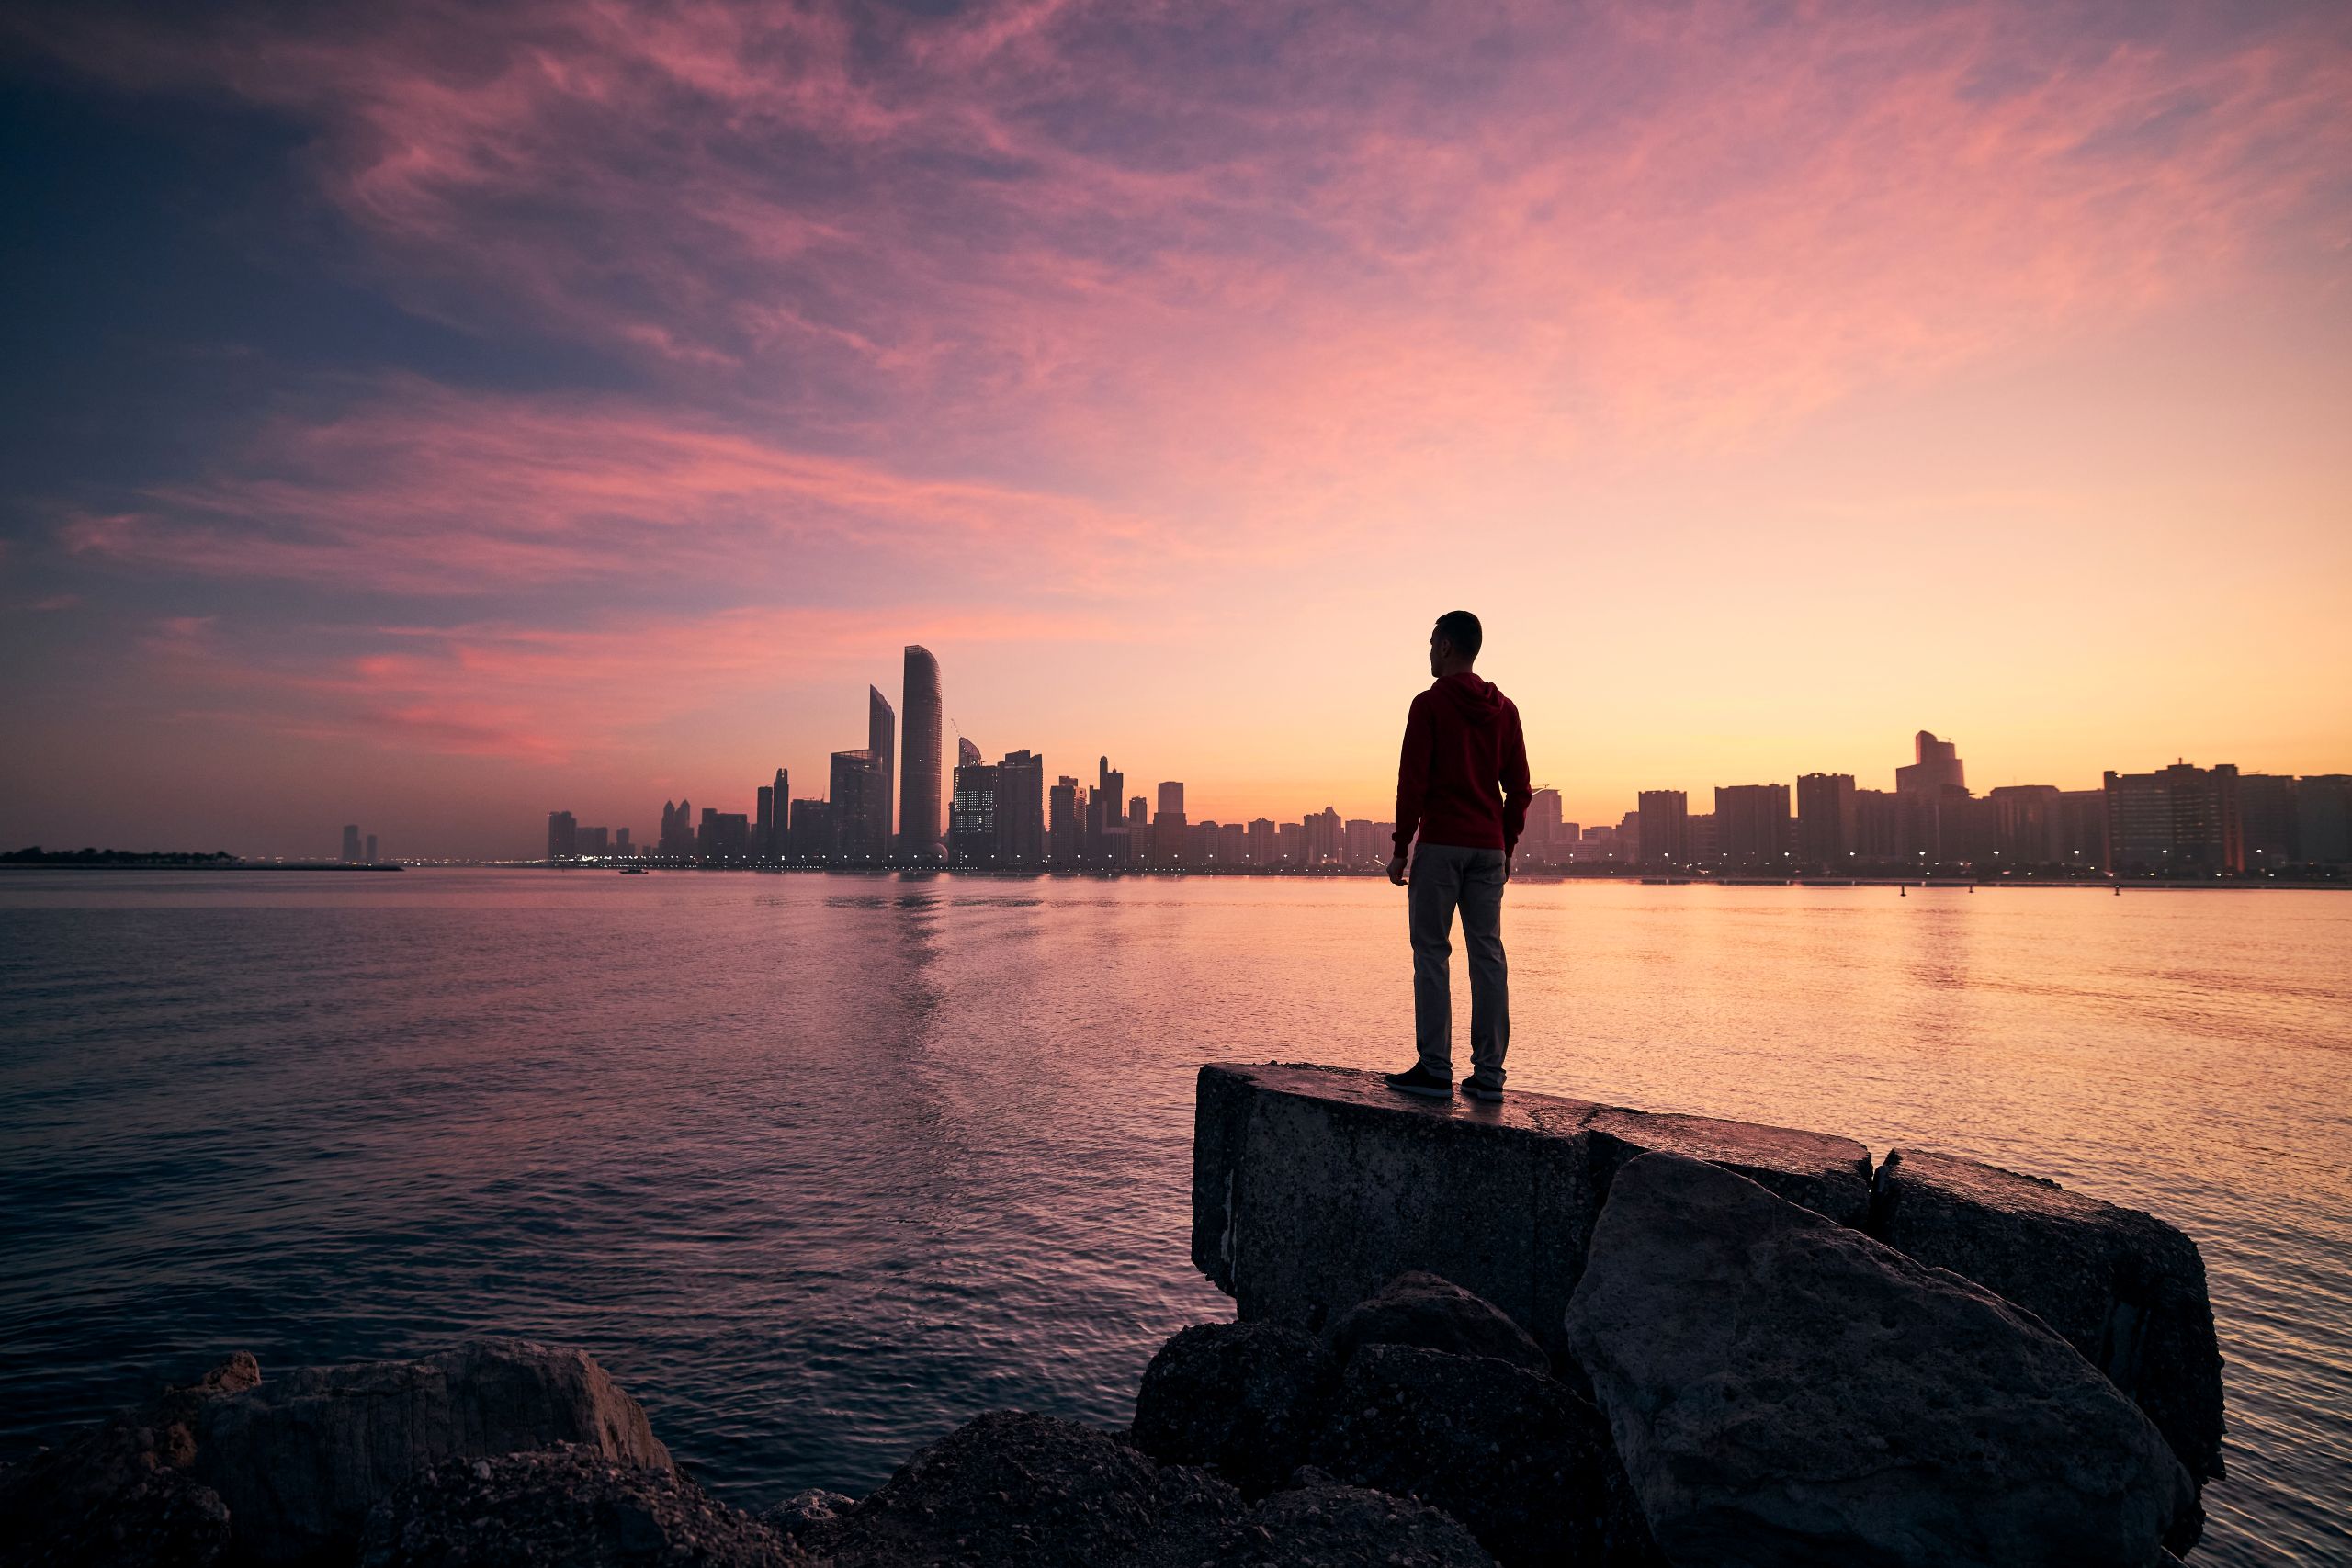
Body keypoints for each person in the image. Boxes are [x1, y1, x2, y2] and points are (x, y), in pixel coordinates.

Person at [1383, 610, 1532, 1102]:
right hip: (1488, 848)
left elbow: (1413, 782)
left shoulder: (1429, 704)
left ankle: (1434, 1070)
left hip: (1443, 845)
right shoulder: (1505, 710)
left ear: (1447, 646)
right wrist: (1506, 847)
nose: (1427, 652)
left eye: (1430, 643)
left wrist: (1401, 848)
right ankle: (1489, 1075)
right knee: (1488, 955)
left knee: (1431, 953)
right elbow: (1520, 789)